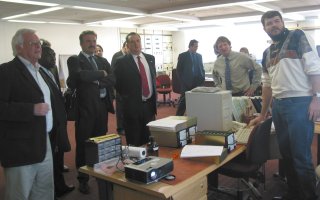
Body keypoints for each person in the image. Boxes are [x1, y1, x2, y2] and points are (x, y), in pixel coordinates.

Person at [250, 10, 320, 200]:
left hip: (300, 102)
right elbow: (267, 85)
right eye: (269, 23)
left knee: (301, 157)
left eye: (276, 21)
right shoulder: (266, 52)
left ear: (282, 22)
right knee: (286, 155)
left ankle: (309, 196)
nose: (274, 25)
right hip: (279, 106)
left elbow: (315, 68)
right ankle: (294, 193)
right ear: (264, 28)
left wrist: (316, 98)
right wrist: (263, 114)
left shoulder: (298, 36)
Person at [0, 28, 54, 200]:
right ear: (19, 47)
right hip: (21, 146)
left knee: (44, 190)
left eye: (39, 43)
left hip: (44, 140)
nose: (39, 46)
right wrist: (31, 109)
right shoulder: (6, 71)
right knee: (20, 193)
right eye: (34, 43)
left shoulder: (40, 71)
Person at [67, 30, 115, 194]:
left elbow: (113, 78)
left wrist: (98, 82)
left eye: (94, 40)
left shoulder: (102, 60)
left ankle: (101, 173)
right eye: (88, 41)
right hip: (85, 109)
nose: (92, 44)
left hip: (101, 107)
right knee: (83, 145)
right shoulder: (75, 60)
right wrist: (101, 74)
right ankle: (83, 179)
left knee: (100, 142)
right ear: (81, 43)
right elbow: (80, 76)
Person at [38, 43, 75, 198]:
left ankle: (59, 186)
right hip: (51, 125)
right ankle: (57, 188)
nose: (53, 58)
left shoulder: (50, 71)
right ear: (40, 56)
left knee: (58, 158)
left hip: (58, 122)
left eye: (54, 55)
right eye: (49, 55)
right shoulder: (39, 73)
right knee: (53, 159)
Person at [113, 32, 157, 146]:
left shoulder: (150, 58)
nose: (136, 44)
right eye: (132, 42)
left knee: (150, 140)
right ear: (127, 45)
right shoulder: (121, 61)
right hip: (132, 107)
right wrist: (128, 98)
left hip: (149, 106)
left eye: (138, 41)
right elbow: (117, 84)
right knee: (134, 141)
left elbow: (152, 79)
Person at [176, 39, 205, 116]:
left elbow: (201, 68)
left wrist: (202, 78)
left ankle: (195, 117)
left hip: (197, 82)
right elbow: (178, 70)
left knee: (197, 102)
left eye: (197, 46)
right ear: (190, 46)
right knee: (183, 102)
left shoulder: (199, 56)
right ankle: (177, 118)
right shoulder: (183, 56)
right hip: (186, 83)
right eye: (195, 46)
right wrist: (182, 82)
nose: (197, 48)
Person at [111, 41, 128, 135]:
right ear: (125, 46)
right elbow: (113, 71)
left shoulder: (129, 55)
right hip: (119, 86)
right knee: (120, 108)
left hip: (129, 86)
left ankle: (127, 125)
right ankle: (120, 128)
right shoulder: (117, 56)